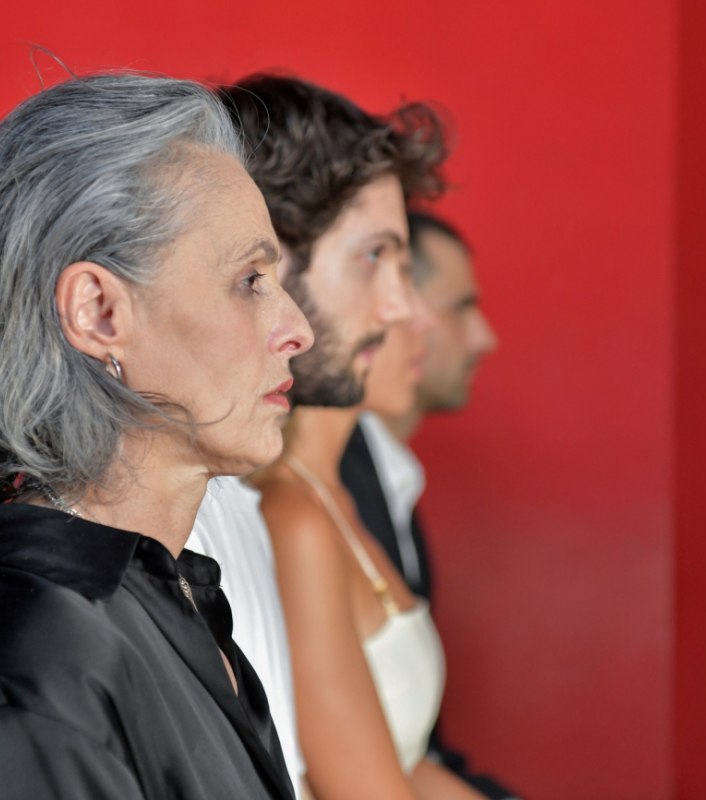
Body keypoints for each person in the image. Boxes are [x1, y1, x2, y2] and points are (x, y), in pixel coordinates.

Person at [0, 72, 313, 800]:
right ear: (98, 312)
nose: (298, 329)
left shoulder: (160, 595)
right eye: (250, 280)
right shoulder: (35, 658)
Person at [220, 74, 479, 800]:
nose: (404, 309)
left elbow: (412, 763)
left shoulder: (347, 486)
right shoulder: (280, 510)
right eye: (374, 257)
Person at [340, 211, 512, 799]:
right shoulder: (319, 494)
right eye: (461, 308)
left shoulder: (388, 481)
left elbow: (418, 748)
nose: (484, 337)